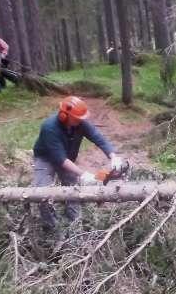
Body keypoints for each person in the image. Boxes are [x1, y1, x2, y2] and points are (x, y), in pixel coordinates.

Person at [32, 96, 122, 231]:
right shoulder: (49, 128)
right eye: (77, 118)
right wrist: (84, 174)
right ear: (64, 115)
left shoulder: (80, 123)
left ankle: (75, 225)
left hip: (67, 158)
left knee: (73, 189)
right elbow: (60, 159)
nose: (81, 120)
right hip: (46, 158)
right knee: (41, 192)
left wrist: (113, 156)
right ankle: (52, 227)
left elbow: (99, 138)